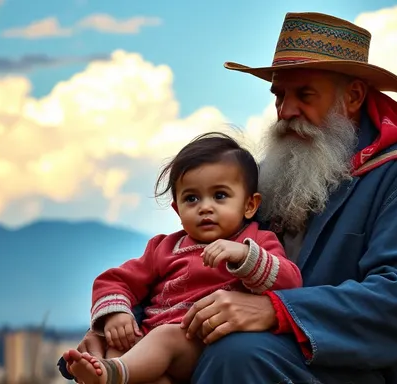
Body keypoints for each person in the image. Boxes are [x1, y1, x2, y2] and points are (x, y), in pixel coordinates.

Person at [61, 11, 397, 383]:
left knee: (238, 352)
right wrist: (114, 325)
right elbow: (180, 271)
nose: (285, 110)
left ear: (354, 97)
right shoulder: (275, 174)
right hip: (254, 354)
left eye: (304, 95)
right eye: (279, 96)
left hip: (357, 371)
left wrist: (278, 311)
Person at [62, 132, 303, 384]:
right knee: (119, 347)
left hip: (200, 345)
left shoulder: (256, 242)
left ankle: (110, 373)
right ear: (177, 209)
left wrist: (246, 257)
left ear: (249, 205)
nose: (205, 207)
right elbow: (114, 281)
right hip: (151, 347)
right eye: (191, 198)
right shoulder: (164, 247)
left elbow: (290, 282)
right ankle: (110, 371)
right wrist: (116, 316)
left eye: (220, 195)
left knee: (162, 340)